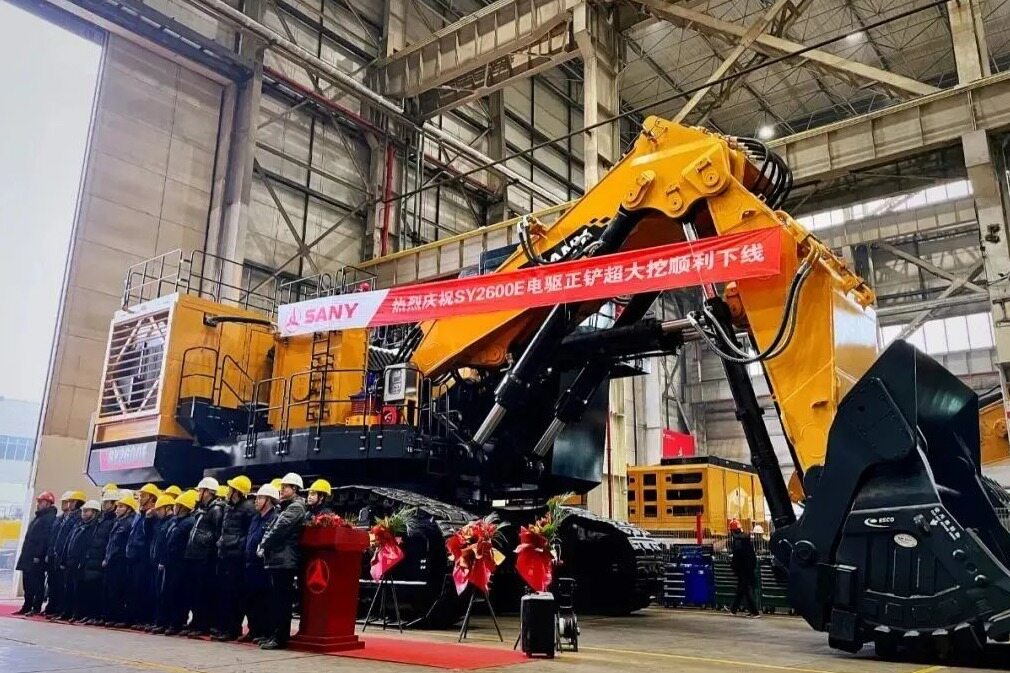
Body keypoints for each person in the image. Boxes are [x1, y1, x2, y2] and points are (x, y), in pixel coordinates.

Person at [257, 473, 306, 650]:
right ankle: (274, 635)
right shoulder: (285, 507)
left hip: (284, 559)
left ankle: (280, 638)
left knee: (281, 601)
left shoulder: (295, 507)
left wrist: (264, 544)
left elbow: (279, 529)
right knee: (276, 599)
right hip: (278, 557)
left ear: (295, 489)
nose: (282, 489)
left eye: (285, 487)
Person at [214, 475, 255, 641]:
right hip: (225, 554)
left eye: (231, 489)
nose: (228, 491)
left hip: (236, 558)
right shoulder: (228, 507)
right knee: (224, 593)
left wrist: (238, 545)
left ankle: (232, 629)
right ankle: (224, 627)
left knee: (234, 594)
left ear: (237, 491)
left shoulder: (248, 508)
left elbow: (249, 532)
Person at [183, 477, 225, 637]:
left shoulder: (216, 510)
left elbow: (217, 533)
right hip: (196, 555)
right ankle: (196, 621)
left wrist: (206, 542)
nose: (198, 493)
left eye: (201, 490)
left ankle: (202, 624)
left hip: (205, 558)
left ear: (208, 492)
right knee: (194, 591)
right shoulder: (203, 509)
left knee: (202, 592)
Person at [242, 484, 278, 644]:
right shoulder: (256, 518)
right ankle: (254, 629)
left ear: (269, 500)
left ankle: (264, 631)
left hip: (263, 565)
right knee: (250, 599)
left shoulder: (273, 517)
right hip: (250, 563)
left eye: (260, 498)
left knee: (263, 600)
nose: (256, 501)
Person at [79, 488, 119, 625]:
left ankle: (98, 615)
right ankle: (90, 614)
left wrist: (105, 558)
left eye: (107, 502)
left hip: (101, 560)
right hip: (92, 558)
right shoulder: (101, 520)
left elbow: (109, 542)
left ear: (114, 504)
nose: (104, 504)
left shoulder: (113, 521)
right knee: (89, 589)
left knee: (98, 590)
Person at [14, 490, 57, 616]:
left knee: (37, 583)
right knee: (27, 582)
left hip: (36, 558)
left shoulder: (49, 519)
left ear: (48, 503)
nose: (38, 504)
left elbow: (45, 539)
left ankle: (36, 606)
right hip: (29, 555)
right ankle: (27, 605)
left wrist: (38, 555)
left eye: (41, 502)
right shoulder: (38, 517)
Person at [125, 483, 161, 629]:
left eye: (143, 495)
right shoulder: (139, 515)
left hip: (145, 557)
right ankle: (136, 617)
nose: (140, 498)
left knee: (145, 589)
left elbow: (150, 535)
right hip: (134, 556)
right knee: (134, 588)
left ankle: (145, 619)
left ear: (152, 498)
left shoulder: (153, 515)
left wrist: (149, 519)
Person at [162, 490, 198, 635]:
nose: (175, 507)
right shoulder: (176, 522)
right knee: (170, 592)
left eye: (177, 505)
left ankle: (177, 622)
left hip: (181, 563)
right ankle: (171, 621)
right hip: (172, 562)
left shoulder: (189, 522)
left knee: (178, 594)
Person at [46, 490, 85, 619]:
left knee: (66, 586)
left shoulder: (78, 518)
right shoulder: (65, 518)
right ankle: (56, 608)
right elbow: (57, 537)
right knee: (56, 584)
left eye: (72, 501)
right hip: (60, 555)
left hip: (70, 558)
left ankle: (64, 610)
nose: (69, 504)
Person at [103, 494, 138, 627]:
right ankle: (113, 616)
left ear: (129, 509)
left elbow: (121, 545)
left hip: (121, 561)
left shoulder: (129, 523)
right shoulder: (118, 522)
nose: (117, 509)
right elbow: (111, 543)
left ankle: (120, 617)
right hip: (113, 561)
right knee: (112, 590)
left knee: (119, 591)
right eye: (117, 506)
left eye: (121, 507)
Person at [64, 500, 100, 622]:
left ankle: (82, 613)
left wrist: (83, 560)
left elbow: (88, 546)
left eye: (87, 511)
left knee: (84, 590)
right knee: (72, 589)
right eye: (83, 511)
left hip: (84, 564)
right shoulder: (79, 525)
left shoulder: (94, 528)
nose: (84, 513)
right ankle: (73, 613)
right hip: (73, 562)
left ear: (94, 512)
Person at [148, 493, 176, 633]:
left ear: (168, 508)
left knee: (164, 594)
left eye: (159, 509)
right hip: (156, 562)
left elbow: (168, 544)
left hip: (164, 564)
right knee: (156, 593)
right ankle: (158, 621)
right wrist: (148, 520)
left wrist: (163, 561)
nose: (157, 512)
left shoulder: (171, 523)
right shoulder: (160, 522)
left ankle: (164, 622)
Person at [728, 519, 759, 618]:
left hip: (743, 569)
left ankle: (755, 612)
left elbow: (738, 556)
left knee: (744, 589)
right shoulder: (746, 538)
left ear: (732, 531)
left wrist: (734, 565)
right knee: (741, 589)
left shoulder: (738, 541)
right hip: (749, 568)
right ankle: (733, 610)